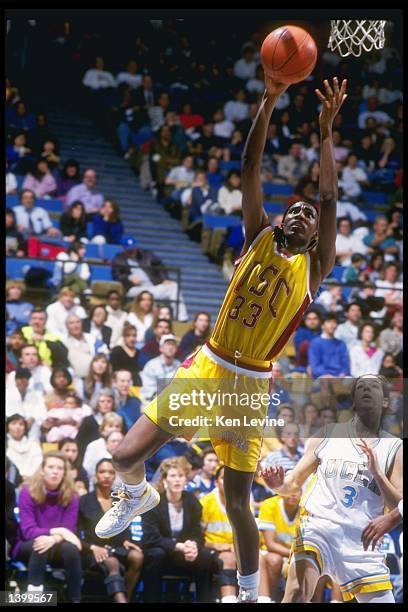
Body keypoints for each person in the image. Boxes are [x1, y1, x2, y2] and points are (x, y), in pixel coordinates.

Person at [95, 76, 347, 604]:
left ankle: (251, 595)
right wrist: (270, 98)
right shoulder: (258, 235)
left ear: (314, 231)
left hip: (250, 387)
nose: (302, 214)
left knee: (237, 502)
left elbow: (328, 194)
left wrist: (325, 132)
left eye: (309, 215)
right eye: (294, 210)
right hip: (208, 366)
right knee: (123, 456)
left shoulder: (313, 269)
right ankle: (136, 494)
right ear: (280, 221)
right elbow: (250, 168)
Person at [261, 373, 402, 603]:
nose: (366, 389)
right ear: (354, 400)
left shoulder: (393, 447)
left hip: (361, 540)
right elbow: (293, 482)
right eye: (361, 387)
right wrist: (278, 485)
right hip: (319, 527)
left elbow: (399, 506)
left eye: (373, 386)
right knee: (297, 592)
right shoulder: (328, 435)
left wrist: (377, 473)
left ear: (385, 401)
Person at [10, 451, 82, 602]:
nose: (55, 471)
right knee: (40, 545)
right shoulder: (27, 492)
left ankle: (75, 598)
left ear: (64, 472)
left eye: (60, 468)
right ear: (42, 470)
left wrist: (55, 538)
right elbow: (29, 531)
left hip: (58, 543)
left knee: (71, 548)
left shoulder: (72, 495)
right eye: (50, 467)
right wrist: (58, 531)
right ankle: (34, 599)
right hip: (27, 544)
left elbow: (69, 527)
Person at [141, 457, 215, 603]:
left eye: (181, 476)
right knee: (156, 555)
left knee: (206, 556)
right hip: (161, 552)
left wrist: (193, 546)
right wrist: (178, 546)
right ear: (164, 480)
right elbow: (151, 537)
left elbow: (198, 534)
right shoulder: (152, 503)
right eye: (173, 476)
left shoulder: (192, 502)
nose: (177, 480)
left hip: (184, 554)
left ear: (185, 480)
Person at [79, 459, 144, 602]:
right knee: (112, 562)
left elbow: (125, 526)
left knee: (137, 556)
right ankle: (120, 600)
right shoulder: (83, 501)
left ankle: (126, 597)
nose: (106, 475)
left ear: (115, 476)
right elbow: (76, 533)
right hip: (93, 550)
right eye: (102, 472)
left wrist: (126, 540)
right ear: (95, 475)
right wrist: (92, 547)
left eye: (110, 472)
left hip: (116, 546)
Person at [112, 236, 188, 321]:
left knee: (173, 286)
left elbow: (159, 266)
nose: (132, 251)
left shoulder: (146, 254)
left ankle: (182, 318)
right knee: (143, 294)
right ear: (124, 249)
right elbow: (116, 275)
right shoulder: (119, 259)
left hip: (152, 287)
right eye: (129, 250)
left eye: (134, 249)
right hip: (134, 289)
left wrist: (164, 279)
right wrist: (129, 278)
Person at [258, 490, 302, 603]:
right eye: (289, 489)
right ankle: (270, 598)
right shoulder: (270, 505)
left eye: (297, 489)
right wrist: (293, 554)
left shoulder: (306, 509)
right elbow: (270, 544)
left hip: (293, 554)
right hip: (268, 552)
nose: (293, 493)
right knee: (274, 560)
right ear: (281, 490)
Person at [5, 368, 47, 441]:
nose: (22, 381)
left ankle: (34, 448)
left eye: (25, 378)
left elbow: (41, 410)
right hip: (11, 423)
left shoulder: (36, 394)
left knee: (35, 427)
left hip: (30, 424)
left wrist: (32, 418)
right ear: (15, 380)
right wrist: (17, 422)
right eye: (19, 378)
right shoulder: (8, 393)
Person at [83, 424, 125, 491]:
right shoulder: (97, 458)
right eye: (113, 441)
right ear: (106, 444)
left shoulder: (129, 460)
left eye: (119, 441)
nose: (116, 444)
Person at [308, 314, 350, 379]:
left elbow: (345, 363)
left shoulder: (341, 344)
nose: (332, 325)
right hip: (323, 376)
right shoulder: (315, 343)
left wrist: (343, 373)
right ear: (322, 325)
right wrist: (326, 374)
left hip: (339, 377)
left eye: (334, 322)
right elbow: (315, 366)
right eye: (328, 322)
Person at [76, 388, 117, 452]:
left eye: (109, 401)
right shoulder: (88, 420)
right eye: (102, 401)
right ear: (97, 403)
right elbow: (79, 442)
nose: (105, 404)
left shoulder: (118, 420)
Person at [6, 414, 43, 479]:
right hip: (11, 481)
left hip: (31, 479)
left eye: (21, 424)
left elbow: (38, 463)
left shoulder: (33, 444)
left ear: (25, 428)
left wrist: (28, 477)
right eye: (13, 423)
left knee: (27, 488)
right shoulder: (6, 444)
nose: (17, 427)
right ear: (7, 427)